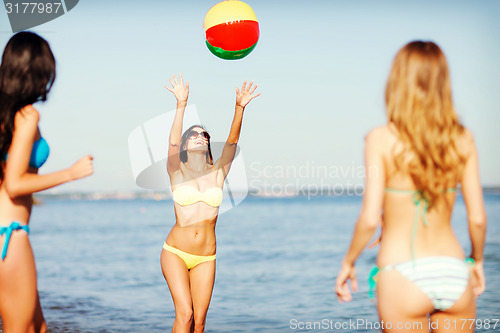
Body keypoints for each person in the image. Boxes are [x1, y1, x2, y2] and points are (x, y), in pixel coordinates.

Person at [335, 41, 487, 332]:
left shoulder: (380, 139)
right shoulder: (463, 138)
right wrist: (477, 261)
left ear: (397, 81)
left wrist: (348, 262)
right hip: (454, 270)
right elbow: (477, 218)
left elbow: (369, 219)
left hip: (401, 273)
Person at [0, 32, 93, 332]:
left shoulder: (5, 114)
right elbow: (14, 183)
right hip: (10, 236)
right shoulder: (27, 117)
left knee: (38, 328)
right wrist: (72, 173)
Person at [160, 74, 259, 333]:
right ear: (184, 145)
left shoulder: (218, 172)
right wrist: (181, 104)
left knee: (200, 323)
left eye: (203, 135)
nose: (199, 136)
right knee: (185, 314)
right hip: (175, 253)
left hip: (206, 256)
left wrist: (239, 108)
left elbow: (232, 142)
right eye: (192, 135)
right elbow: (171, 142)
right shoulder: (176, 171)